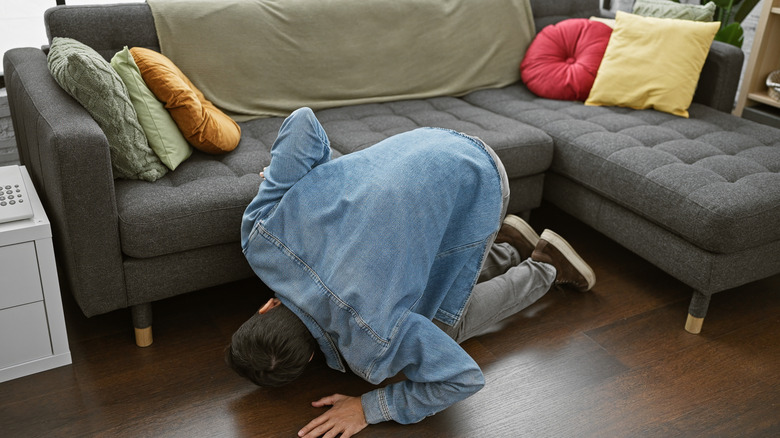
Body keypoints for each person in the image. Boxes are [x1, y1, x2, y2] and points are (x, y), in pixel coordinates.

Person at [226, 107, 596, 438]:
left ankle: (546, 266)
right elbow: (302, 120)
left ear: (308, 359)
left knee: (445, 328)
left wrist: (370, 409)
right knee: (406, 281)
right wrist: (300, 173)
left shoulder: (374, 345)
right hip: (425, 141)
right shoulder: (259, 238)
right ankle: (509, 246)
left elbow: (462, 378)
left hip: (483, 177)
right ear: (266, 308)